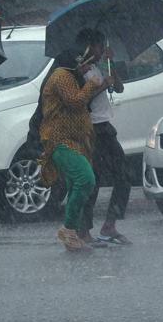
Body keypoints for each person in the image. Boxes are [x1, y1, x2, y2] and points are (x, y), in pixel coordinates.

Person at [38, 50, 109, 253]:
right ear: (76, 62)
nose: (86, 67)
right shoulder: (62, 76)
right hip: (61, 140)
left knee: (75, 184)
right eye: (84, 63)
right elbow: (76, 101)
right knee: (86, 179)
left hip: (76, 140)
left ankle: (74, 236)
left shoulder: (70, 76)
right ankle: (69, 229)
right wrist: (93, 84)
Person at [76, 29, 132, 245]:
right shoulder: (80, 70)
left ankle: (110, 225)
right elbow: (79, 100)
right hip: (90, 130)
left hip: (105, 128)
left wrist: (112, 65)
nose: (101, 51)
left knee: (124, 175)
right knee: (93, 179)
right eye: (99, 47)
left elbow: (119, 88)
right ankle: (83, 231)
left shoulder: (100, 67)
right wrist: (102, 86)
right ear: (89, 46)